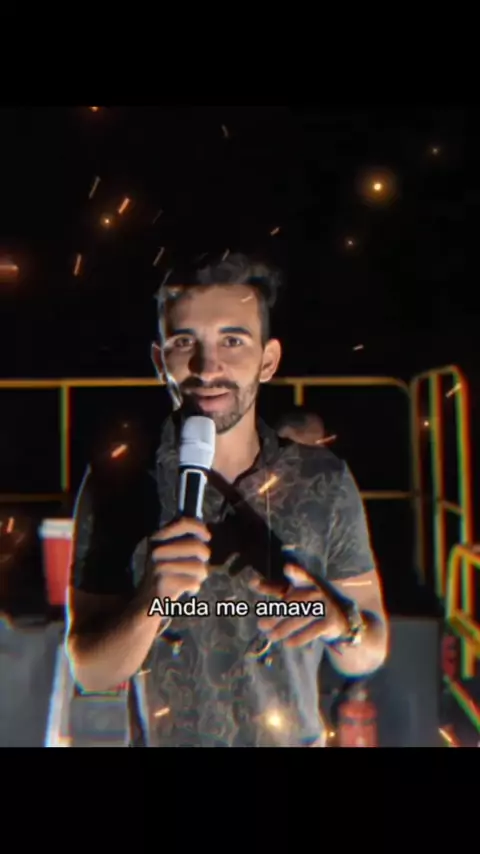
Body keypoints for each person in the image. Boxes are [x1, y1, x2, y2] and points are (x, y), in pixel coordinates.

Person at [66, 251, 388, 747]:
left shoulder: (323, 480)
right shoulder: (121, 483)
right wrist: (152, 600)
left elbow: (371, 648)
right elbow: (90, 670)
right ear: (160, 361)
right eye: (184, 342)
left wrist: (342, 624)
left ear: (268, 360)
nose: (207, 366)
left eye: (232, 340)